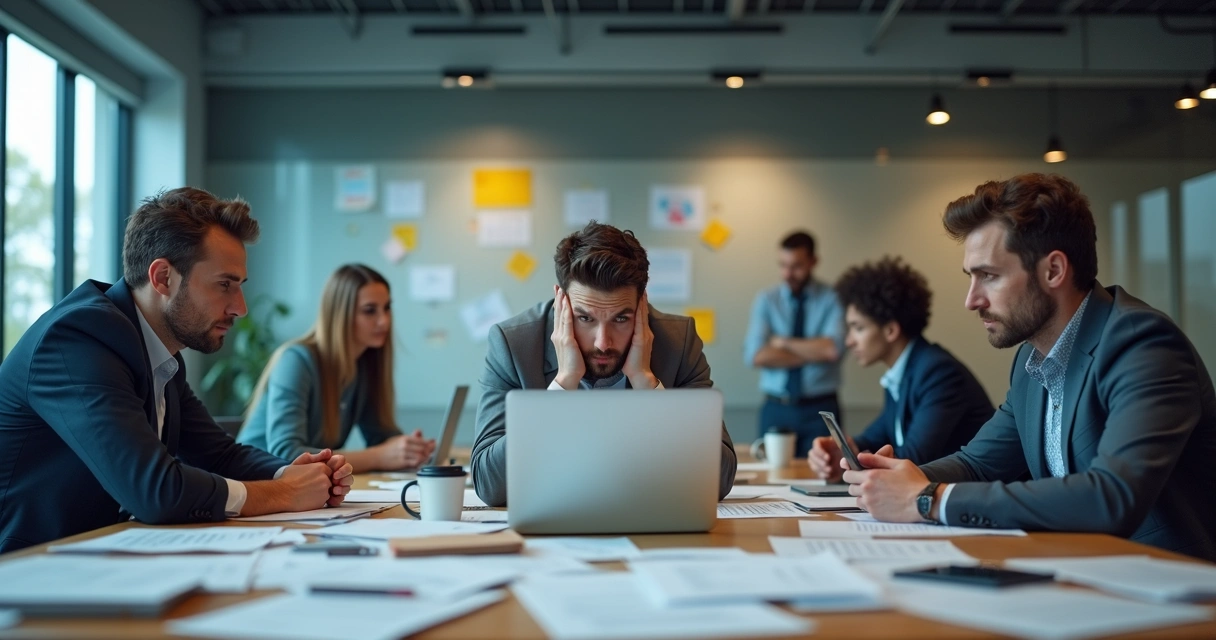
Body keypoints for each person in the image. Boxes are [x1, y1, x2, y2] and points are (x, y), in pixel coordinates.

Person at [842, 174, 1216, 561]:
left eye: (989, 275)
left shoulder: (1141, 343)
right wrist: (895, 479)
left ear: (1053, 270)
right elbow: (976, 465)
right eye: (971, 278)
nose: (972, 300)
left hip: (1172, 590)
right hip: (1083, 574)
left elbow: (1112, 496)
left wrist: (927, 499)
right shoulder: (1031, 360)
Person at [0, 188, 353, 553]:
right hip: (29, 571)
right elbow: (153, 491)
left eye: (240, 287)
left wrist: (293, 473)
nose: (240, 308)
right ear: (163, 278)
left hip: (104, 556)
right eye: (224, 285)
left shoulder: (156, 354)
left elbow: (220, 456)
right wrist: (282, 493)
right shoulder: (78, 340)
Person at [471, 221, 737, 507]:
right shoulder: (514, 345)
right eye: (585, 318)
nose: (602, 342)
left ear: (641, 306)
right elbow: (489, 485)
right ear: (562, 302)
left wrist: (646, 382)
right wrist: (563, 383)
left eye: (621, 319)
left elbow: (718, 480)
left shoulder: (678, 342)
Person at [808, 257, 993, 479]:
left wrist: (856, 460)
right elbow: (875, 436)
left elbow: (914, 459)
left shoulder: (938, 373)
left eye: (857, 328)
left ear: (890, 331)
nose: (849, 341)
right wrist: (842, 451)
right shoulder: (903, 373)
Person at [239, 264, 436, 472]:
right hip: (254, 482)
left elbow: (381, 437)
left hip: (301, 490)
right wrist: (379, 457)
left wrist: (410, 450)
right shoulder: (296, 360)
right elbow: (287, 454)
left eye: (387, 308)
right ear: (340, 314)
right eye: (370, 311)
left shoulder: (364, 365)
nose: (384, 321)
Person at [743, 231, 845, 456]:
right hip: (776, 407)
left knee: (825, 476)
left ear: (813, 262)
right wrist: (813, 351)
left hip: (821, 409)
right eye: (783, 265)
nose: (787, 273)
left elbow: (832, 349)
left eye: (796, 266)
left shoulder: (833, 298)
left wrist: (782, 342)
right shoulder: (766, 299)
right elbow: (756, 355)